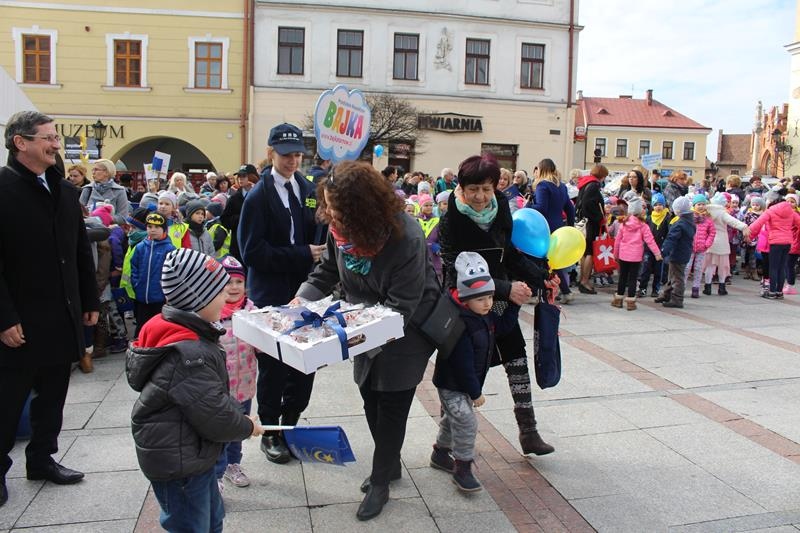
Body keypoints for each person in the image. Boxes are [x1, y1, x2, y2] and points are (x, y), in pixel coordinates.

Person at [293, 161, 440, 521]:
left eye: (340, 210)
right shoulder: (340, 230)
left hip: (406, 329)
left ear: (364, 208)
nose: (332, 216)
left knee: (391, 403)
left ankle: (381, 480)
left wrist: (344, 337)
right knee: (369, 395)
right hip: (362, 320)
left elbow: (400, 307)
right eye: (329, 207)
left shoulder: (405, 236)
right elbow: (327, 270)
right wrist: (299, 301)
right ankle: (390, 463)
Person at [126, 248, 265, 532]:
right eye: (220, 292)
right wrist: (247, 426)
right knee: (192, 524)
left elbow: (209, 400)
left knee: (211, 518)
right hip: (180, 465)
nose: (227, 297)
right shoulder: (189, 354)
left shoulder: (189, 333)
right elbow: (214, 416)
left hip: (190, 452)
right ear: (197, 298)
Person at [1, 111, 99, 508]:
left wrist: (89, 300)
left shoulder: (64, 190)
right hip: (19, 321)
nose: (56, 144)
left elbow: (79, 251)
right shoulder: (3, 188)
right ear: (20, 142)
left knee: (53, 396)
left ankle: (42, 459)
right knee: (8, 401)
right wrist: (4, 318)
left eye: (56, 137)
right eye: (48, 138)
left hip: (62, 315)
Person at [439, 154, 554, 458]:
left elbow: (509, 254)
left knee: (516, 357)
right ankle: (445, 444)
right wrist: (506, 288)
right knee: (464, 372)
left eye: (486, 189)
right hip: (465, 307)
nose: (480, 197)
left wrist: (541, 277)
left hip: (499, 304)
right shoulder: (451, 218)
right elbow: (454, 270)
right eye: (473, 189)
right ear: (461, 188)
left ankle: (529, 432)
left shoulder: (501, 207)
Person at [238, 123, 324, 466]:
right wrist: (303, 254)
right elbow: (251, 251)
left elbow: (317, 231)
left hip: (305, 293)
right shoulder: (258, 196)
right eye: (286, 154)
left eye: (298, 154)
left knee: (306, 365)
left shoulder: (308, 188)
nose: (293, 161)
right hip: (271, 294)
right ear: (271, 153)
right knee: (273, 367)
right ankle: (271, 432)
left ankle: (290, 425)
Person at [431, 251, 520, 493]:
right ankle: (463, 468)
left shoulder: (483, 316)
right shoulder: (461, 324)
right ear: (465, 299)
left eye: (490, 297)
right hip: (451, 384)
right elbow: (462, 364)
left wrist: (514, 306)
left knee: (453, 419)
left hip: (463, 383)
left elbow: (501, 327)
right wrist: (475, 392)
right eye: (481, 299)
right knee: (467, 422)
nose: (488, 303)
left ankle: (440, 453)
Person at [214, 256, 258, 494]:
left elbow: (262, 343)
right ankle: (216, 473)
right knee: (220, 432)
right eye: (228, 282)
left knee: (239, 428)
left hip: (245, 384)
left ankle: (233, 464)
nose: (233, 287)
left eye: (239, 282)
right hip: (220, 389)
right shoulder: (212, 313)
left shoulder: (251, 310)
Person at [531, 159, 576, 303]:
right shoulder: (561, 186)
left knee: (536, 259)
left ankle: (535, 293)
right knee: (552, 261)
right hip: (558, 227)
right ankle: (566, 292)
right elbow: (570, 208)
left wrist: (528, 206)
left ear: (541, 169)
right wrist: (570, 227)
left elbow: (541, 208)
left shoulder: (542, 185)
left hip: (544, 227)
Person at [611, 192, 661, 310]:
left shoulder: (623, 224)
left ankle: (618, 299)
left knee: (622, 277)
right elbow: (650, 241)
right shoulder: (643, 225)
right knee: (633, 278)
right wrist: (657, 253)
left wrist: (615, 254)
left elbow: (617, 240)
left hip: (623, 255)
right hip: (636, 256)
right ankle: (631, 302)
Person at [748, 191, 800, 299]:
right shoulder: (791, 211)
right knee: (782, 267)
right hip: (787, 242)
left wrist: (749, 235)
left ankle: (772, 291)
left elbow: (757, 224)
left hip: (775, 242)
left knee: (773, 268)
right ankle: (779, 292)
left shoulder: (770, 211)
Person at [130, 213, 176, 336]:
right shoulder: (140, 247)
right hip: (141, 297)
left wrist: (166, 291)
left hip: (160, 298)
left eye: (157, 227)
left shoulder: (170, 249)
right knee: (141, 326)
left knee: (158, 328)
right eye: (149, 226)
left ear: (164, 229)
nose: (153, 230)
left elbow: (172, 273)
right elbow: (134, 267)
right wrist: (136, 284)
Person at [703, 193, 748, 296]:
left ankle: (707, 287)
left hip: (709, 240)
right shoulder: (722, 213)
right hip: (722, 242)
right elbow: (733, 222)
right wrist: (744, 227)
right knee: (722, 266)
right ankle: (722, 287)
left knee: (710, 265)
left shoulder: (706, 211)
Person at [655, 196, 696, 308]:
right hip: (684, 252)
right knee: (672, 275)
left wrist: (663, 252)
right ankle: (667, 294)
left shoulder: (679, 224)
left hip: (677, 253)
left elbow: (671, 239)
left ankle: (677, 299)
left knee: (677, 278)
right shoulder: (690, 222)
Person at [575, 164, 607, 294]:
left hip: (583, 222)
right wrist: (600, 217)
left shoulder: (585, 183)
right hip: (591, 224)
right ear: (602, 175)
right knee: (590, 253)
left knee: (584, 252)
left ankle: (582, 279)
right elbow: (589, 204)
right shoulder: (594, 185)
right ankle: (585, 281)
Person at [222, 164, 259, 262]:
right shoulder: (234, 198)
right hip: (238, 246)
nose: (240, 179)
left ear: (252, 177)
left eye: (244, 176)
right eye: (239, 176)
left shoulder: (261, 195)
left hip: (257, 244)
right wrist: (242, 218)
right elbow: (224, 220)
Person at [685, 195, 716, 299]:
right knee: (686, 268)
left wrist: (707, 243)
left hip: (701, 248)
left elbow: (712, 232)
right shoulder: (690, 218)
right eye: (699, 204)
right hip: (690, 247)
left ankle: (696, 288)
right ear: (694, 205)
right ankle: (682, 287)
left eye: (703, 204)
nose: (701, 206)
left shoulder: (708, 219)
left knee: (698, 269)